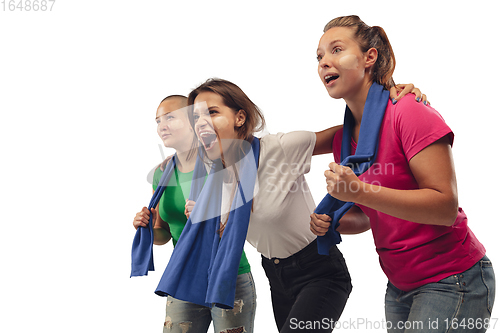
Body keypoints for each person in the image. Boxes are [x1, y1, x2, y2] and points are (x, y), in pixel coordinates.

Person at [186, 78, 424, 333]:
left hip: (319, 271)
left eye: (211, 112)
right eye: (196, 117)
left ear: (240, 118)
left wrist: (391, 100)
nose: (201, 122)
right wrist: (208, 221)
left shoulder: (279, 148)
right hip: (276, 277)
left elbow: (348, 133)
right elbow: (234, 233)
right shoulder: (216, 182)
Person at [311, 15, 495, 333]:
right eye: (319, 56)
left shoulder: (408, 111)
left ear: (370, 57)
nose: (325, 62)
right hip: (399, 285)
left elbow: (444, 207)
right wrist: (336, 220)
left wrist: (358, 192)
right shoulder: (346, 141)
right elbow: (372, 215)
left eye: (336, 49)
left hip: (453, 280)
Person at [132, 95, 257, 333]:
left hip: (228, 275)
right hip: (184, 276)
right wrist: (146, 228)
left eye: (170, 118)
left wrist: (211, 216)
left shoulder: (223, 161)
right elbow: (163, 235)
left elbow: (245, 218)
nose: (162, 126)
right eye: (158, 121)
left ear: (193, 122)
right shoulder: (162, 174)